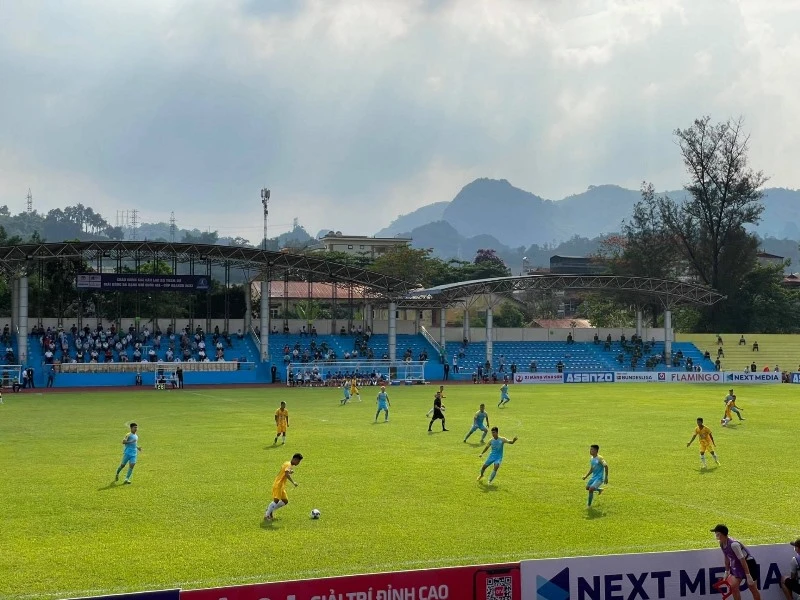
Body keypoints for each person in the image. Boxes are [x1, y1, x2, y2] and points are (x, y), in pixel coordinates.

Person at [711, 524, 762, 600]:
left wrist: (748, 575)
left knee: (752, 587)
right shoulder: (721, 543)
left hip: (748, 563)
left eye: (718, 534)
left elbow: (743, 560)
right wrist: (726, 571)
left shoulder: (734, 545)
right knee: (733, 586)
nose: (716, 536)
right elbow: (726, 558)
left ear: (723, 534)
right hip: (738, 564)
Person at [264, 453, 303, 522]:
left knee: (285, 501)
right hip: (278, 485)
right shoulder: (289, 465)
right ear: (295, 459)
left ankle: (270, 510)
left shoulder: (287, 463)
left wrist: (290, 471)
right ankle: (267, 515)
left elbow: (285, 471)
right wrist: (293, 482)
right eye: (298, 461)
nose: (298, 463)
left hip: (281, 486)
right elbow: (286, 474)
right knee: (276, 500)